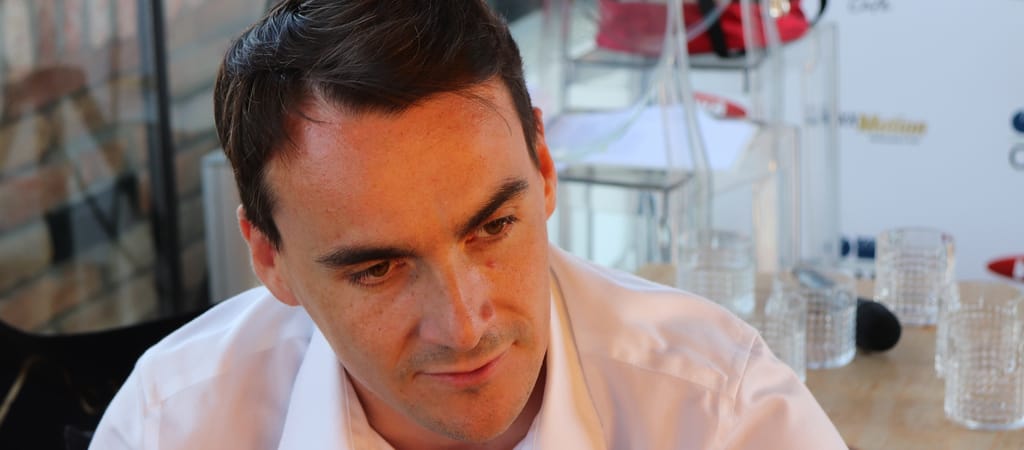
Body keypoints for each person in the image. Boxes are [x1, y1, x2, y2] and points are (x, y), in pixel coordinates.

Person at [91, 0, 847, 448]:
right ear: (268, 258)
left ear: (544, 168)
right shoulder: (172, 426)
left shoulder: (718, 416)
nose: (463, 325)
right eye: (377, 269)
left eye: (493, 227)